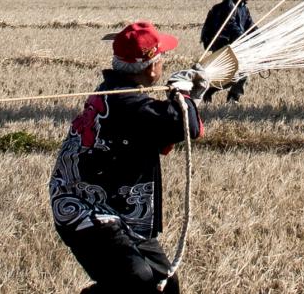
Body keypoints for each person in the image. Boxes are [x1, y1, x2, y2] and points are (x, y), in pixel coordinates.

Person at [49, 21, 205, 294]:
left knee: (166, 282)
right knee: (137, 282)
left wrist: (192, 99)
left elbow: (164, 125)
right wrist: (183, 93)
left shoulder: (116, 91)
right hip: (84, 211)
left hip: (117, 210)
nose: (164, 62)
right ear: (150, 66)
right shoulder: (125, 103)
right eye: (161, 57)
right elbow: (183, 125)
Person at [199, 0, 256, 102]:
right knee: (230, 75)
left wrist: (261, 38)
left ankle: (233, 98)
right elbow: (230, 26)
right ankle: (207, 91)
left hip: (234, 45)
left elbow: (251, 26)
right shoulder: (228, 6)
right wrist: (244, 38)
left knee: (243, 73)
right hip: (222, 45)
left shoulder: (243, 8)